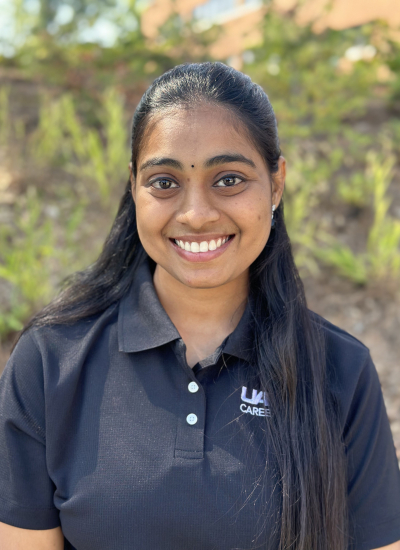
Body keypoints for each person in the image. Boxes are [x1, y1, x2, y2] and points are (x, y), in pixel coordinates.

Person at [0, 62, 399, 550]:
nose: (195, 214)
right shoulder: (50, 363)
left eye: (228, 179)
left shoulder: (340, 369)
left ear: (276, 183)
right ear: (133, 186)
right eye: (164, 182)